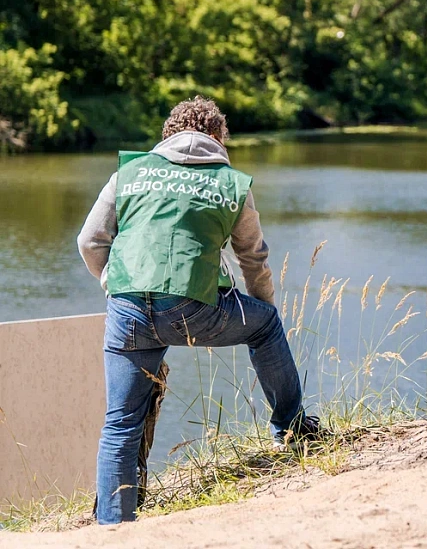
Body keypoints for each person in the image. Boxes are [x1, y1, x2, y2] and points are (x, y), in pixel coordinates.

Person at [77, 96, 319, 525]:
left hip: (127, 309)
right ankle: (292, 428)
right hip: (194, 309)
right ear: (217, 136)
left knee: (120, 423)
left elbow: (90, 241)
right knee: (265, 325)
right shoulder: (231, 184)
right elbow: (253, 259)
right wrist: (261, 313)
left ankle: (113, 527)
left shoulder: (128, 173)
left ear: (167, 135)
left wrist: (115, 285)